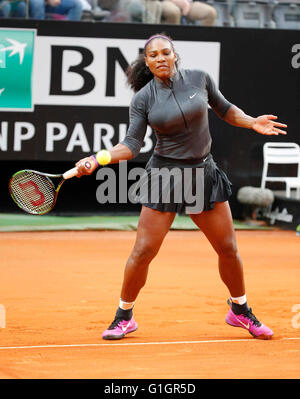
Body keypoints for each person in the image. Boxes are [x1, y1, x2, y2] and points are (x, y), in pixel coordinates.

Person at [75, 33, 287, 341]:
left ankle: (239, 310)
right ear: (146, 62)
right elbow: (132, 145)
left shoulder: (200, 79)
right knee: (144, 251)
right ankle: (124, 316)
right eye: (153, 55)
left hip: (204, 173)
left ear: (175, 55)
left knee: (228, 249)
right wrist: (98, 158)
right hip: (165, 177)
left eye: (165, 52)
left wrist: (250, 121)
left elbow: (226, 109)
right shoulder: (143, 98)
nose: (160, 58)